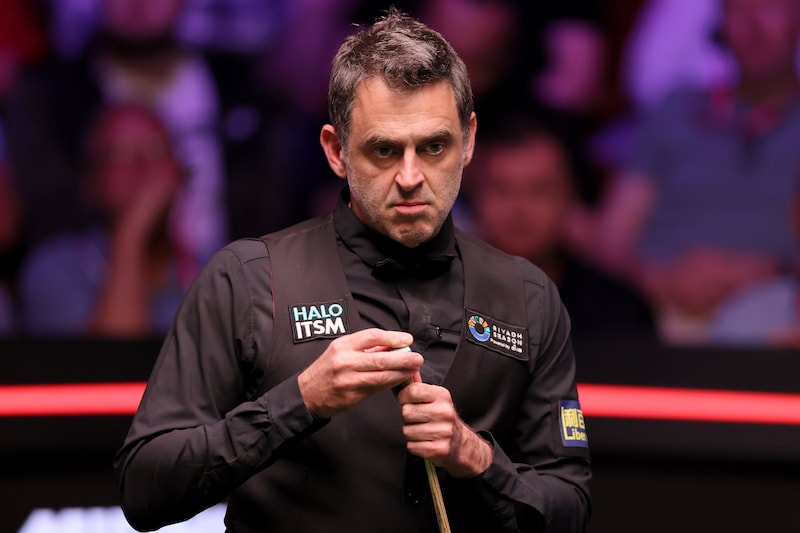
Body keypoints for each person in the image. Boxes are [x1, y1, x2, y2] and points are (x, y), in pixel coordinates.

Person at [114, 8, 591, 532]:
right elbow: (145, 488)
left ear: (469, 140)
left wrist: (475, 455)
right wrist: (300, 400)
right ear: (336, 151)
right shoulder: (247, 280)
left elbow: (570, 507)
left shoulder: (528, 296)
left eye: (434, 147)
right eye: (384, 150)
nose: (410, 177)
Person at [570, 0, 800, 344]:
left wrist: (768, 273)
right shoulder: (675, 109)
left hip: (779, 314)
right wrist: (658, 279)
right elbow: (613, 236)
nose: (754, 29)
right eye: (739, 13)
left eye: (770, 11)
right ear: (719, 26)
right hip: (656, 311)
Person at [465, 111, 656, 344]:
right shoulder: (439, 301)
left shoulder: (618, 312)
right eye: (501, 190)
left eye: (539, 191)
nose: (518, 210)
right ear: (475, 198)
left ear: (569, 198)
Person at [19, 103, 191, 336]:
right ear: (91, 183)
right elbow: (117, 354)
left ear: (178, 170)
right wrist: (132, 233)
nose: (141, 166)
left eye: (156, 150)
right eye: (120, 155)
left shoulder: (210, 268)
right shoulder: (54, 269)